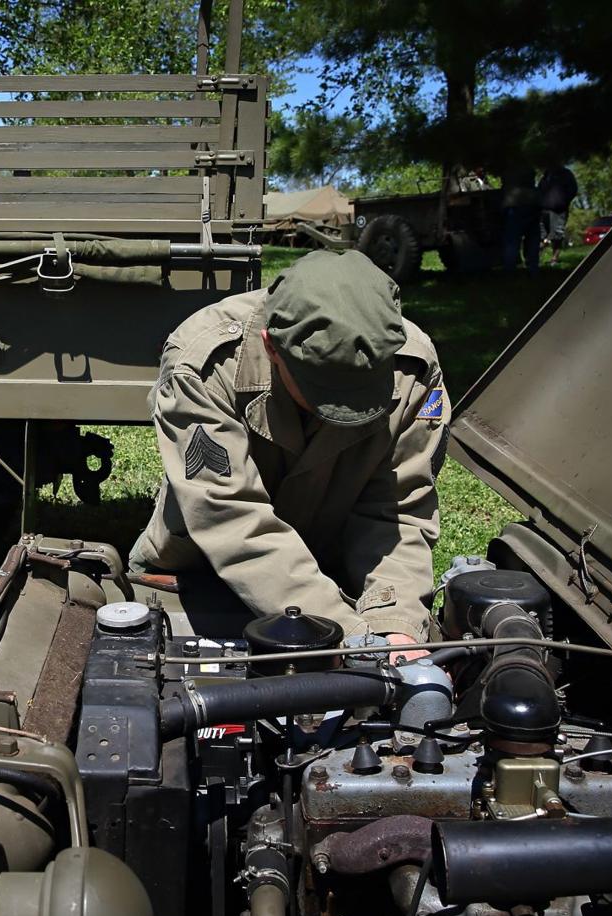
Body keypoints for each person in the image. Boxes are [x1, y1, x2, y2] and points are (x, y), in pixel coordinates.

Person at [128, 250, 449, 659]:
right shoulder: (205, 364)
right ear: (271, 346)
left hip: (336, 576)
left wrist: (394, 621)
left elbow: (399, 508)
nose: (342, 407)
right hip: (201, 569)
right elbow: (230, 515)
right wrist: (352, 638)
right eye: (323, 389)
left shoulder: (411, 367)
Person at [500, 163, 541, 275]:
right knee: (532, 239)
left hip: (514, 204)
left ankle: (510, 270)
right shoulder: (527, 164)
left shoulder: (508, 167)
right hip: (531, 202)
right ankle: (533, 268)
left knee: (512, 240)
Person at [538, 163, 579, 265]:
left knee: (557, 235)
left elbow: (573, 189)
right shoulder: (545, 176)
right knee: (541, 235)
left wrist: (563, 201)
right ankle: (536, 259)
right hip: (543, 210)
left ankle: (554, 259)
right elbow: (539, 190)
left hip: (559, 210)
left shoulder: (566, 174)